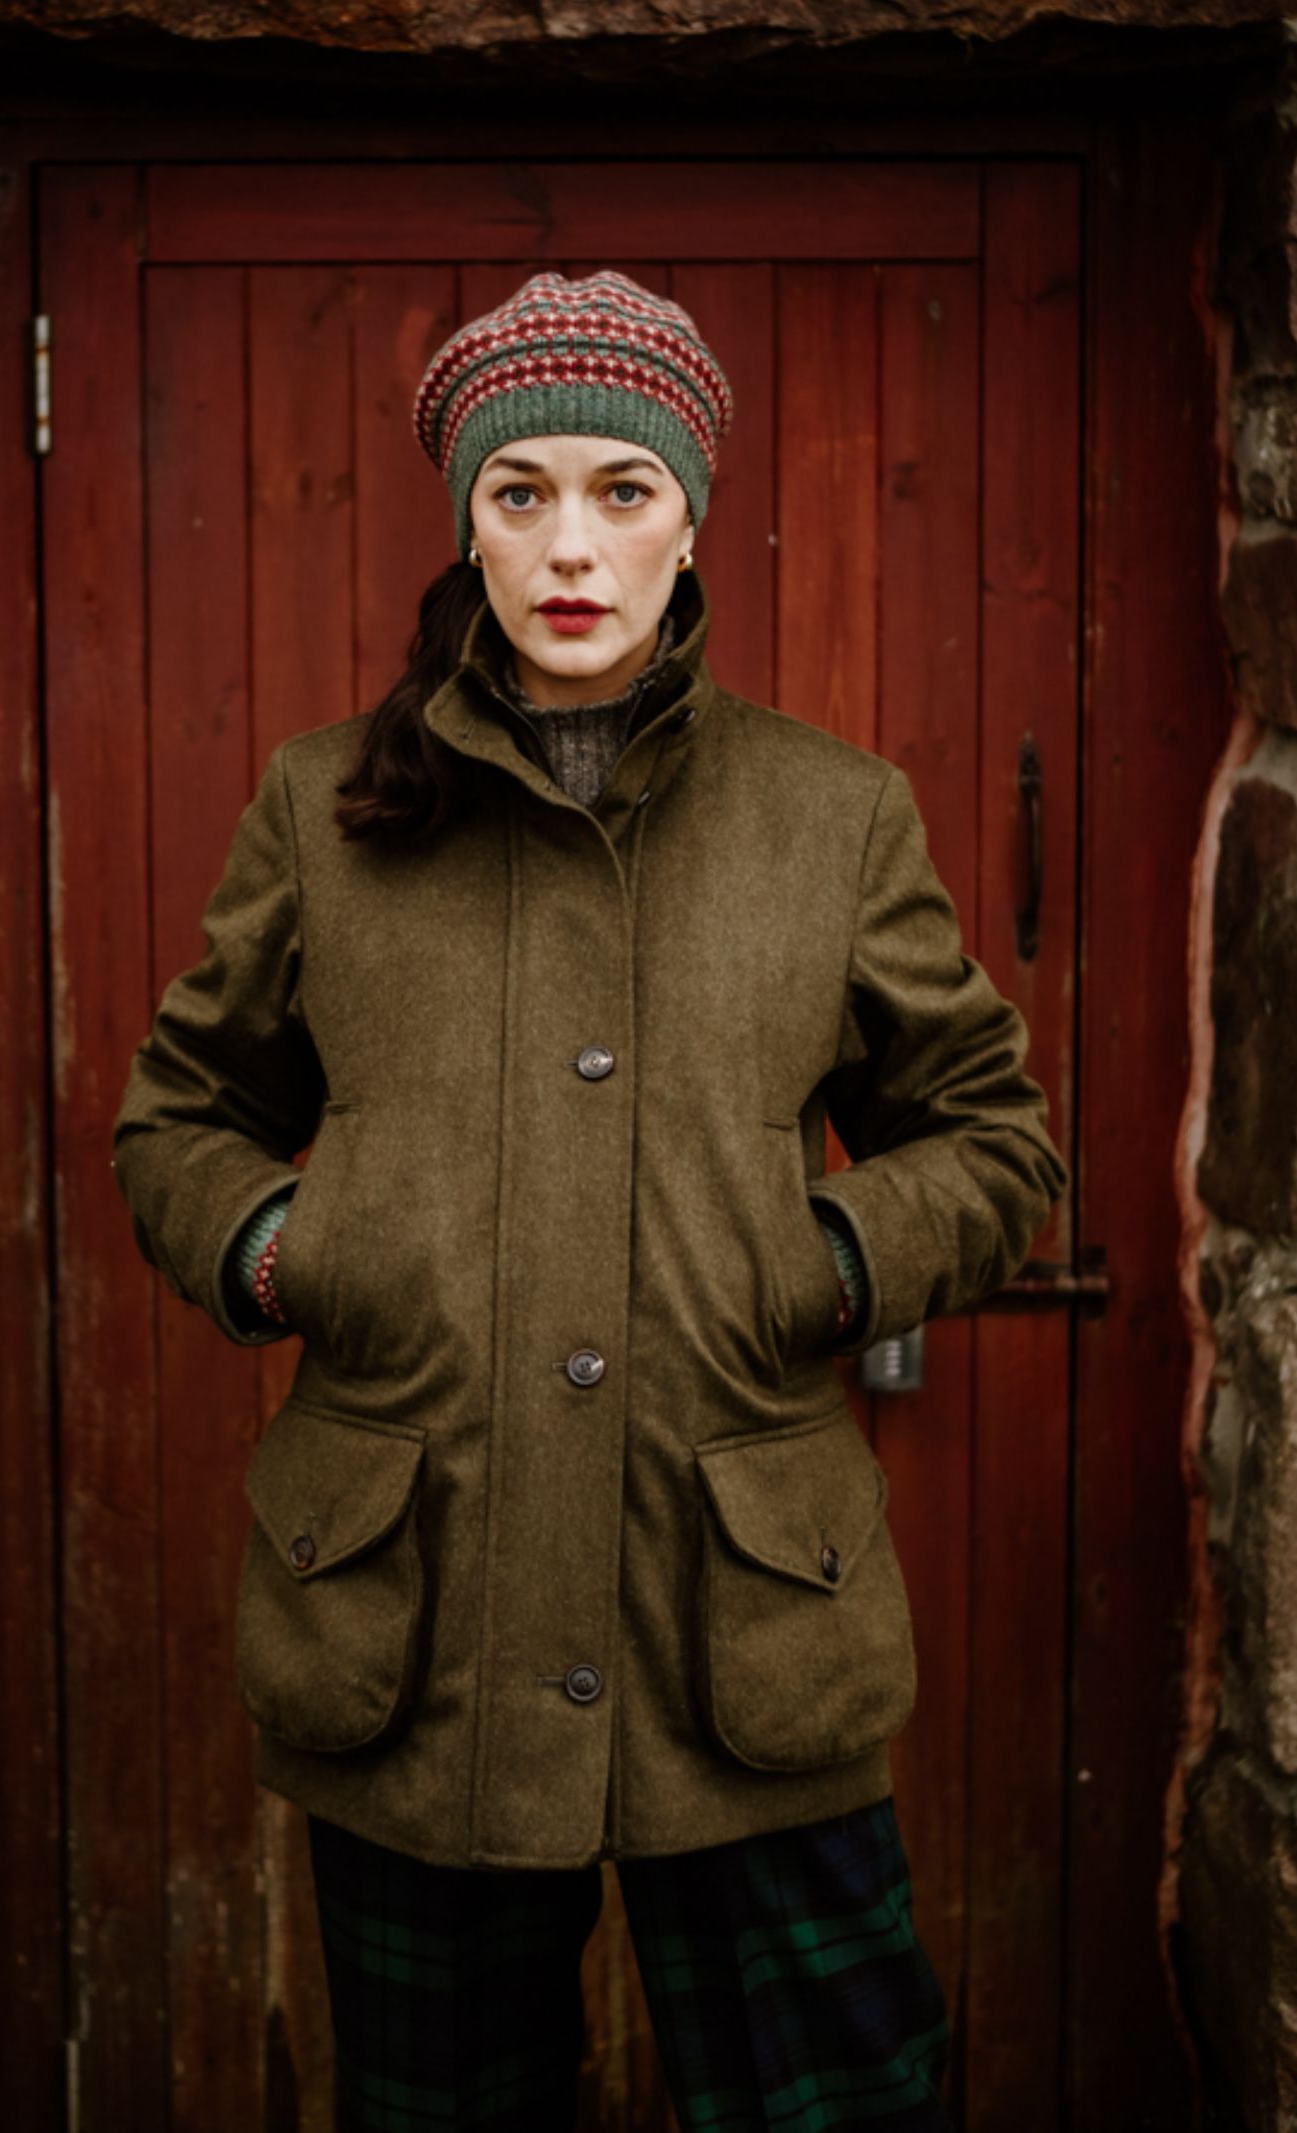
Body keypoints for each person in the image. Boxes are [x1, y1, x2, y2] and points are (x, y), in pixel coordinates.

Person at [111, 268, 1068, 2130]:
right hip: (416, 1628)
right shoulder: (326, 811)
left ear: (690, 518)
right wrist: (293, 1248)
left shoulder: (832, 817)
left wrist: (819, 1258)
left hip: (747, 1635)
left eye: (621, 493)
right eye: (520, 491)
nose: (571, 545)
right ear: (465, 520)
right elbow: (181, 1120)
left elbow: (996, 1138)